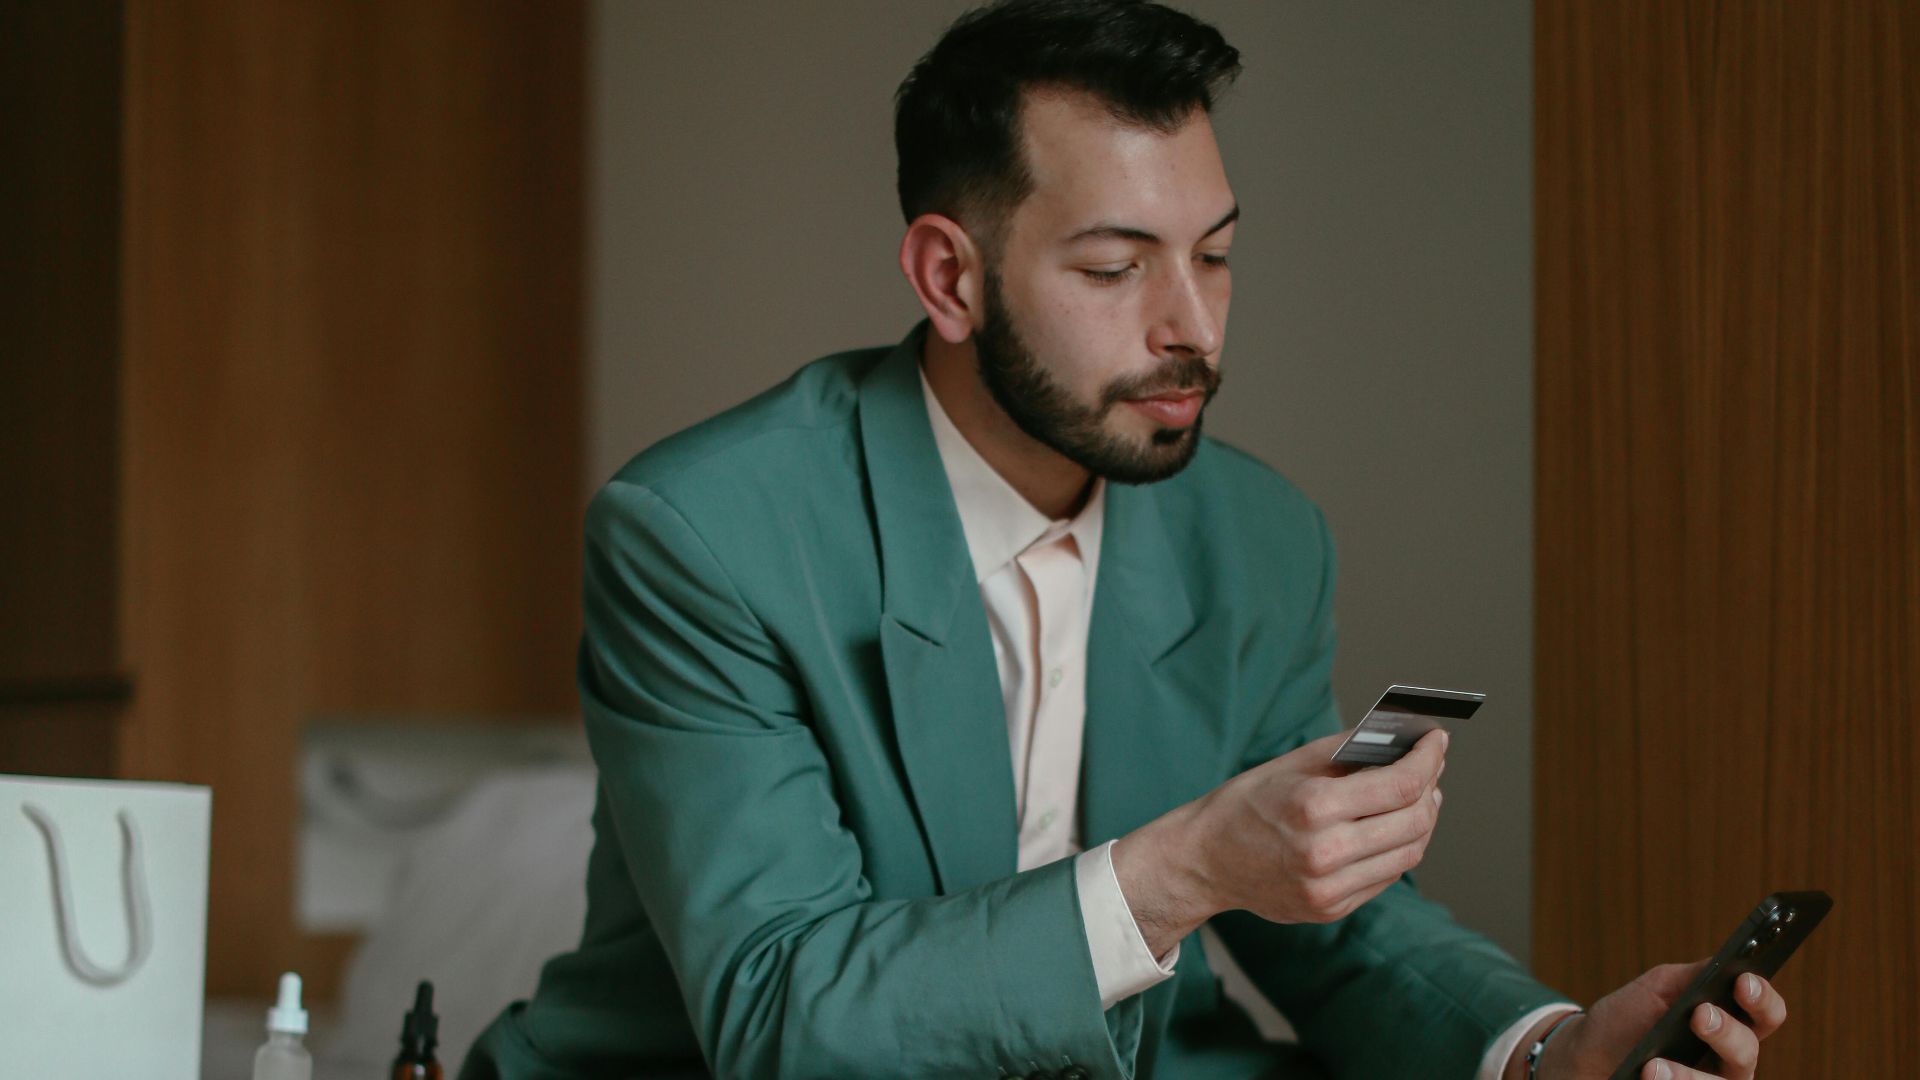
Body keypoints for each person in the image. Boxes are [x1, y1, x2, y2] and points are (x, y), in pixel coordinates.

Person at [463, 2, 1791, 1077]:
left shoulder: (1261, 538)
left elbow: (1325, 928)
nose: (1193, 331)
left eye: (1213, 257)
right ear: (948, 277)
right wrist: (1183, 868)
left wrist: (1545, 1048)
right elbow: (781, 1009)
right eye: (1116, 269)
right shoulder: (704, 534)